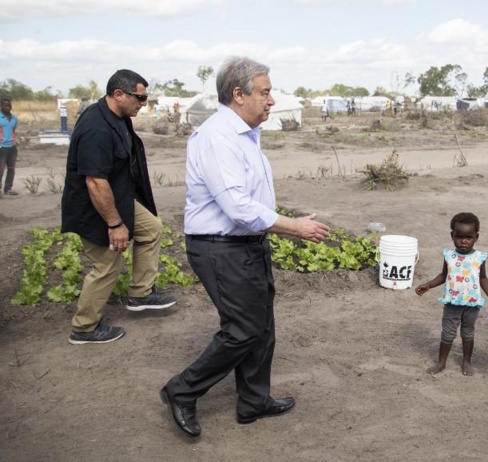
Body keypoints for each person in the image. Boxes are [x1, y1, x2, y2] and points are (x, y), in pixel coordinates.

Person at [160, 56, 331, 438]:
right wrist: (293, 227)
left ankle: (254, 401)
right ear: (238, 94)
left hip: (246, 245)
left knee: (262, 326)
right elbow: (237, 207)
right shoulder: (218, 137)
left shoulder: (245, 134)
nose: (272, 100)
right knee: (244, 329)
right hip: (221, 248)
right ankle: (182, 390)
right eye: (264, 92)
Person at [61, 69, 177, 345]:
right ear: (119, 94)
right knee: (107, 263)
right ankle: (84, 328)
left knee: (151, 228)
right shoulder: (96, 128)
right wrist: (115, 224)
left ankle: (140, 294)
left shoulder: (119, 117)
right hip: (94, 206)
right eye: (140, 97)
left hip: (117, 198)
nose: (144, 103)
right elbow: (94, 181)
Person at [415, 212, 488, 376]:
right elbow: (443, 275)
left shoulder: (479, 258)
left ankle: (466, 361)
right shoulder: (449, 256)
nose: (463, 241)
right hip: (452, 303)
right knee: (447, 333)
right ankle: (441, 362)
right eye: (459, 237)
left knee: (468, 333)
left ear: (476, 237)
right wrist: (429, 285)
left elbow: (482, 278)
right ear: (452, 236)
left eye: (468, 237)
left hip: (472, 304)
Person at [0, 97, 19, 197]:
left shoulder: (14, 119)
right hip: (1, 147)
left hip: (12, 147)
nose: (7, 107)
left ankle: (8, 189)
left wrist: (14, 142)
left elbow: (13, 131)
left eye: (9, 105)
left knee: (11, 169)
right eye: (5, 105)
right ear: (1, 106)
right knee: (1, 169)